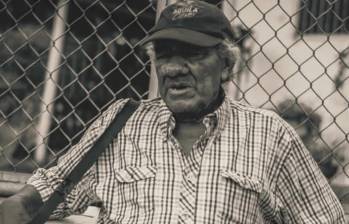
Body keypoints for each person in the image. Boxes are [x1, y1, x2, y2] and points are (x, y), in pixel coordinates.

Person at [0, 0, 346, 223]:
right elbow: (39, 199)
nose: (173, 68)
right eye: (164, 54)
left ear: (226, 65)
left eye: (191, 54)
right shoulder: (122, 122)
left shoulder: (269, 135)